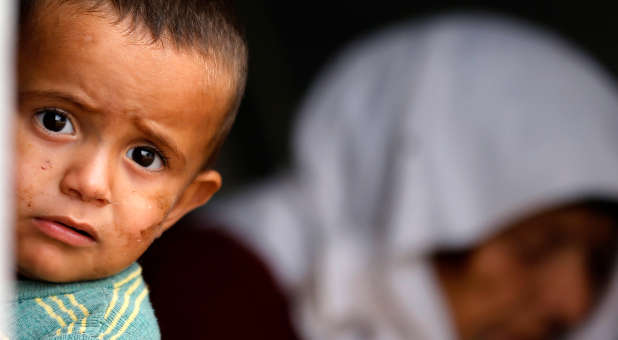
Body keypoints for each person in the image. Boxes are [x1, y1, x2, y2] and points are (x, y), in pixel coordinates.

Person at [208, 13, 618, 340]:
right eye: (536, 244)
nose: (574, 303)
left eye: (599, 265)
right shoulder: (196, 301)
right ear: (413, 205)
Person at [11, 0, 247, 338]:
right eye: (55, 121)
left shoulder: (95, 331)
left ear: (179, 204)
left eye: (144, 157)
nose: (89, 183)